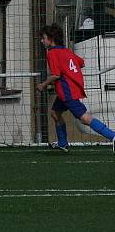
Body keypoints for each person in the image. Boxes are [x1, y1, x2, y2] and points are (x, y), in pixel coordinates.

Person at [37, 23, 115, 152]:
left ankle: (113, 136)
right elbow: (81, 63)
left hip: (67, 92)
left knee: (84, 118)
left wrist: (42, 84)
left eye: (43, 38)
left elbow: (56, 75)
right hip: (66, 90)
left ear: (51, 38)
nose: (42, 41)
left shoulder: (52, 53)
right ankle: (63, 143)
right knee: (55, 113)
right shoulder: (66, 50)